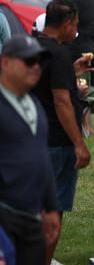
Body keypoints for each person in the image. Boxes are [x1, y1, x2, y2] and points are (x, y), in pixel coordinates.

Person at [32, 0, 93, 264]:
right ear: (66, 24)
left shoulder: (32, 47)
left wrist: (70, 73)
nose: (76, 31)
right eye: (75, 25)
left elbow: (42, 85)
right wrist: (79, 143)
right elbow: (61, 101)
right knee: (52, 212)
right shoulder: (57, 54)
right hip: (56, 142)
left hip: (31, 140)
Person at [0, 36, 60, 265]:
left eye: (40, 62)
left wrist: (52, 207)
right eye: (28, 61)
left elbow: (42, 158)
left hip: (32, 216)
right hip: (5, 216)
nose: (36, 67)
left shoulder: (34, 105)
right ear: (5, 63)